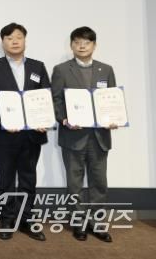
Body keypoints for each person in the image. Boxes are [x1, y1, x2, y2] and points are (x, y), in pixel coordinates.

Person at [0, 22, 50, 242]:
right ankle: (7, 219)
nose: (14, 41)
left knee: (29, 179)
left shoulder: (38, 67)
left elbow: (45, 95)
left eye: (19, 37)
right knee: (6, 179)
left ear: (25, 40)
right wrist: (4, 120)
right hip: (5, 134)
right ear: (3, 42)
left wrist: (44, 120)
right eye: (9, 38)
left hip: (32, 134)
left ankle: (27, 219)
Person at [51, 26, 117, 243]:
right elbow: (56, 100)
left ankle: (98, 224)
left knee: (99, 183)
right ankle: (78, 223)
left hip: (99, 137)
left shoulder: (106, 70)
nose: (82, 46)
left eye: (86, 42)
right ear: (71, 45)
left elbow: (112, 99)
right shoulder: (61, 70)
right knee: (75, 185)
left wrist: (114, 118)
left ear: (94, 45)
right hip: (73, 136)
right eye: (77, 42)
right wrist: (63, 119)